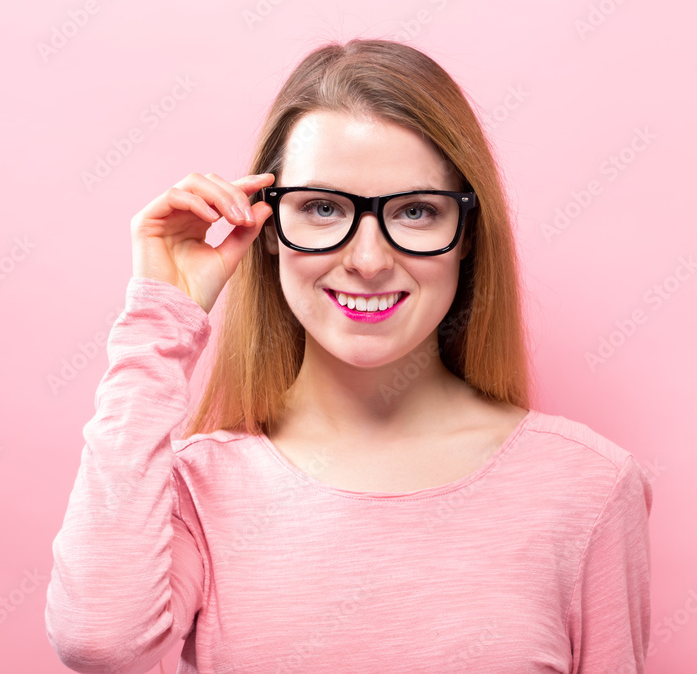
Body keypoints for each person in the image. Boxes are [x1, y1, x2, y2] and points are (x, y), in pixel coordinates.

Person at [44, 38, 652, 673]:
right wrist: (159, 318)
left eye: (415, 211)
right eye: (323, 208)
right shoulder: (198, 487)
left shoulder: (588, 488)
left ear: (467, 232)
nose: (367, 260)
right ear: (269, 229)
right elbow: (99, 641)